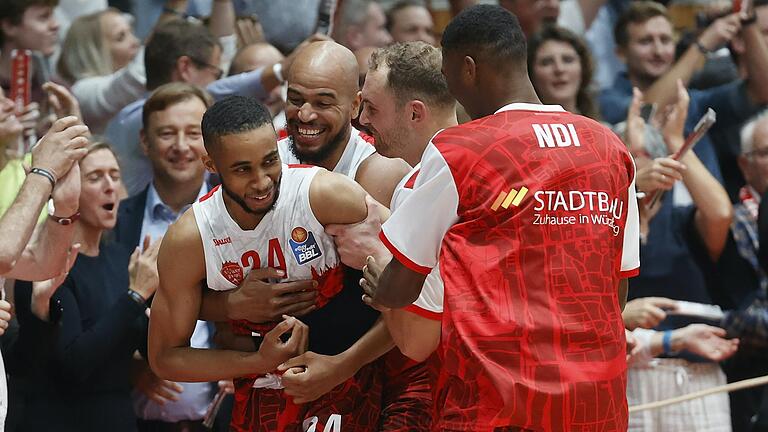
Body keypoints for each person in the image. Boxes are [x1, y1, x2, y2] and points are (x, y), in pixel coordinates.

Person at [361, 5, 639, 431]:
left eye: (450, 77)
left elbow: (400, 290)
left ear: (467, 68)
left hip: (495, 405)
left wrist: (379, 281)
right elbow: (615, 298)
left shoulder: (461, 150)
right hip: (598, 406)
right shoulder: (609, 146)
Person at [149, 96, 395, 432]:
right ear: (210, 165)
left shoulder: (326, 195)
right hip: (259, 392)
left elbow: (416, 293)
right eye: (242, 169)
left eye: (269, 161)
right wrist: (255, 360)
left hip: (354, 379)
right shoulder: (189, 240)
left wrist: (342, 366)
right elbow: (164, 358)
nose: (262, 181)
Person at [327, 41, 456, 373]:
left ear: (414, 112)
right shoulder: (485, 161)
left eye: (371, 107)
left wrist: (378, 256)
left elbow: (416, 344)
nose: (361, 119)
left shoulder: (425, 184)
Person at [11, 142, 160, 431]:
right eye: (95, 177)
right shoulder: (42, 264)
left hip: (119, 418)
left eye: (115, 176)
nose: (110, 187)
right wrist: (135, 297)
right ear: (67, 192)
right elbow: (74, 364)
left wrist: (162, 314)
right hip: (60, 419)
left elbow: (146, 349)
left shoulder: (123, 258)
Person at [111, 83, 224, 431]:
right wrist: (127, 369)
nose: (180, 146)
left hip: (227, 419)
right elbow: (92, 320)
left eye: (192, 133)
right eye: (166, 134)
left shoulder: (246, 214)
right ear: (145, 142)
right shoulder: (113, 224)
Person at [56, 8, 143, 134]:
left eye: (131, 32)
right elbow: (130, 82)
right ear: (93, 52)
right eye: (121, 37)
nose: (135, 42)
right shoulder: (83, 91)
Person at [528, 25, 600, 120]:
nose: (559, 69)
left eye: (568, 60)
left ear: (583, 68)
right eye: (547, 62)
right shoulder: (520, 131)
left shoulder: (605, 131)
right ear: (530, 73)